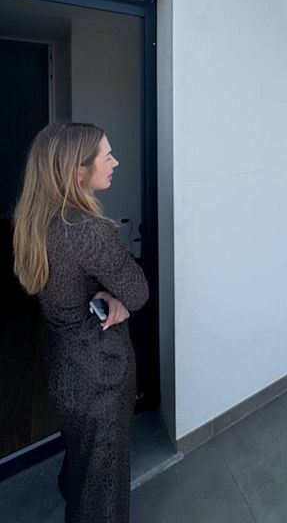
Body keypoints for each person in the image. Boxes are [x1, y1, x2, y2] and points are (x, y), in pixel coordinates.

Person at [13, 123, 148, 523]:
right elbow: (138, 292)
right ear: (77, 171)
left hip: (61, 366)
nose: (115, 162)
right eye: (106, 156)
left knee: (83, 454)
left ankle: (75, 492)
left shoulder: (35, 221)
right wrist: (116, 296)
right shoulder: (89, 232)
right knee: (103, 489)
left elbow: (63, 286)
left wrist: (103, 296)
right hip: (99, 375)